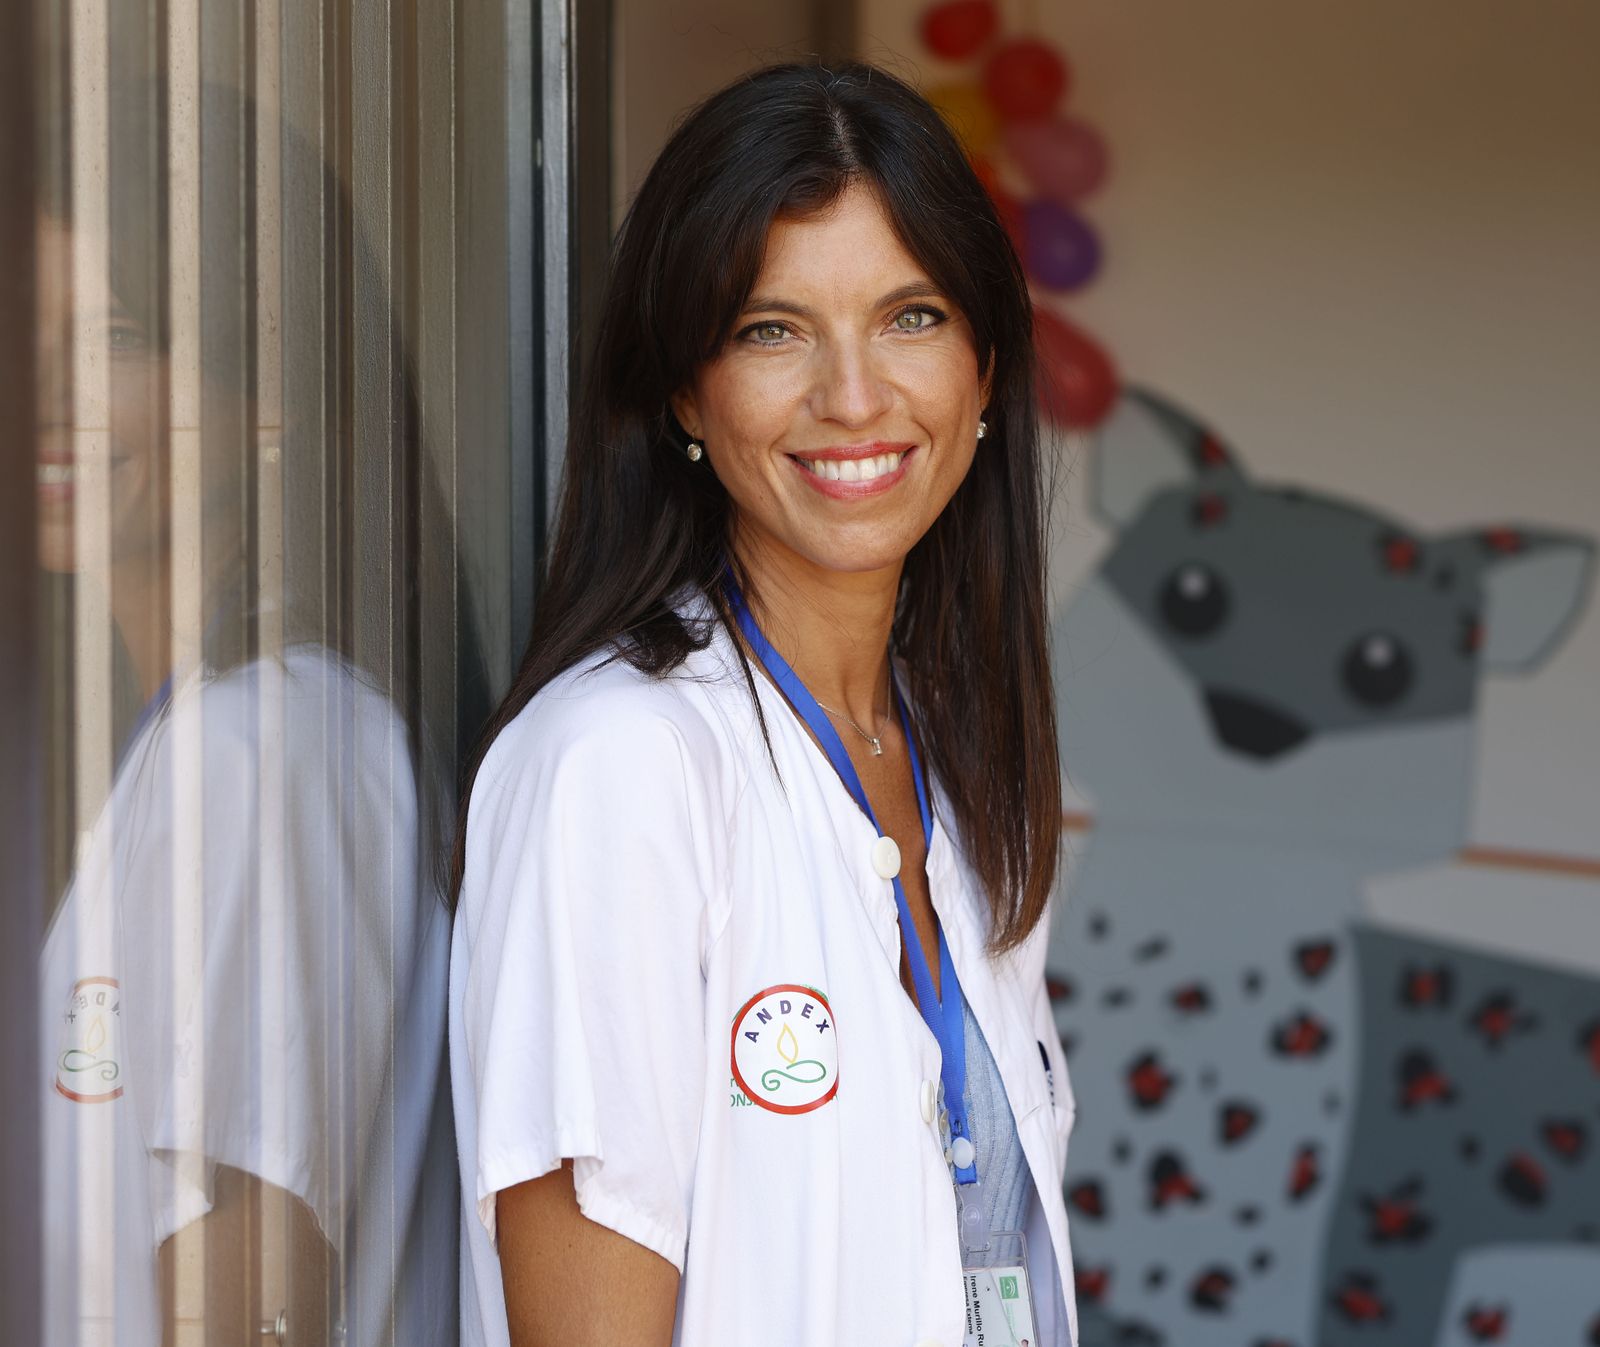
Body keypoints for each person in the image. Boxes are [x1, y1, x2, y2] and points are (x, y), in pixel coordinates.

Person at [449, 61, 1079, 1346]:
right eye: (770, 329)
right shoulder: (617, 763)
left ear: (986, 367)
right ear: (685, 390)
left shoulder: (958, 759)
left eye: (910, 317)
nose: (853, 397)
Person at [36, 73, 465, 1346]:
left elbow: (248, 1307)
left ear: (265, 388)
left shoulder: (258, 756)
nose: (45, 390)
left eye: (114, 336)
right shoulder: (194, 737)